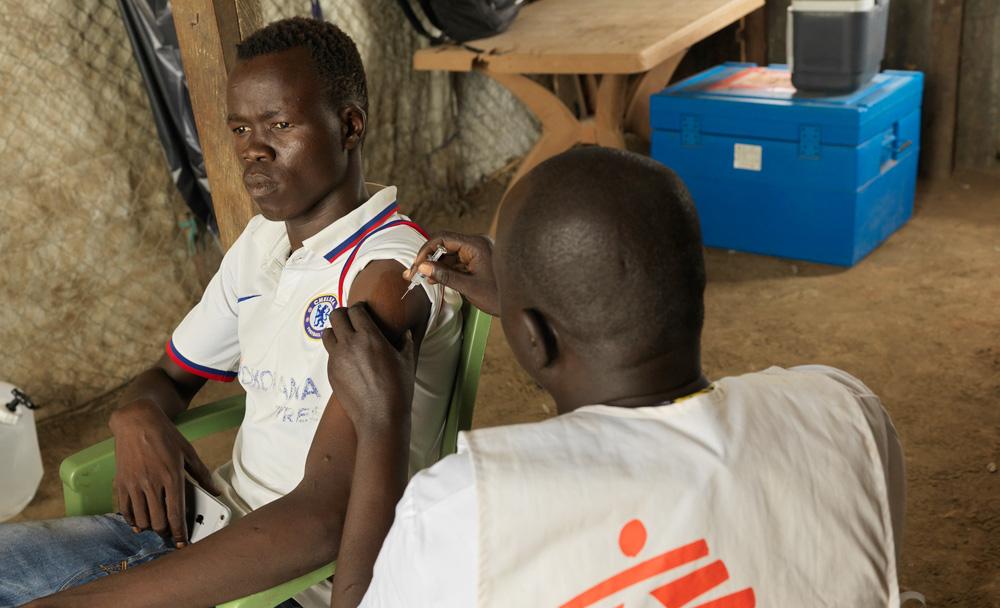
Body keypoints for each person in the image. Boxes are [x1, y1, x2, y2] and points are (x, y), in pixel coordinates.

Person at [0, 18, 461, 608]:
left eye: (280, 124)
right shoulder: (262, 245)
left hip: (294, 585)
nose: (252, 149)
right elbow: (170, 377)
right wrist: (137, 416)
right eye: (241, 127)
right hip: (201, 535)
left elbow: (324, 521)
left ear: (349, 126)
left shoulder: (384, 274)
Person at [323, 147, 906, 607]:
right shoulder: (844, 409)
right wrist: (536, 301)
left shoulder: (468, 507)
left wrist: (382, 421)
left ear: (534, 338)